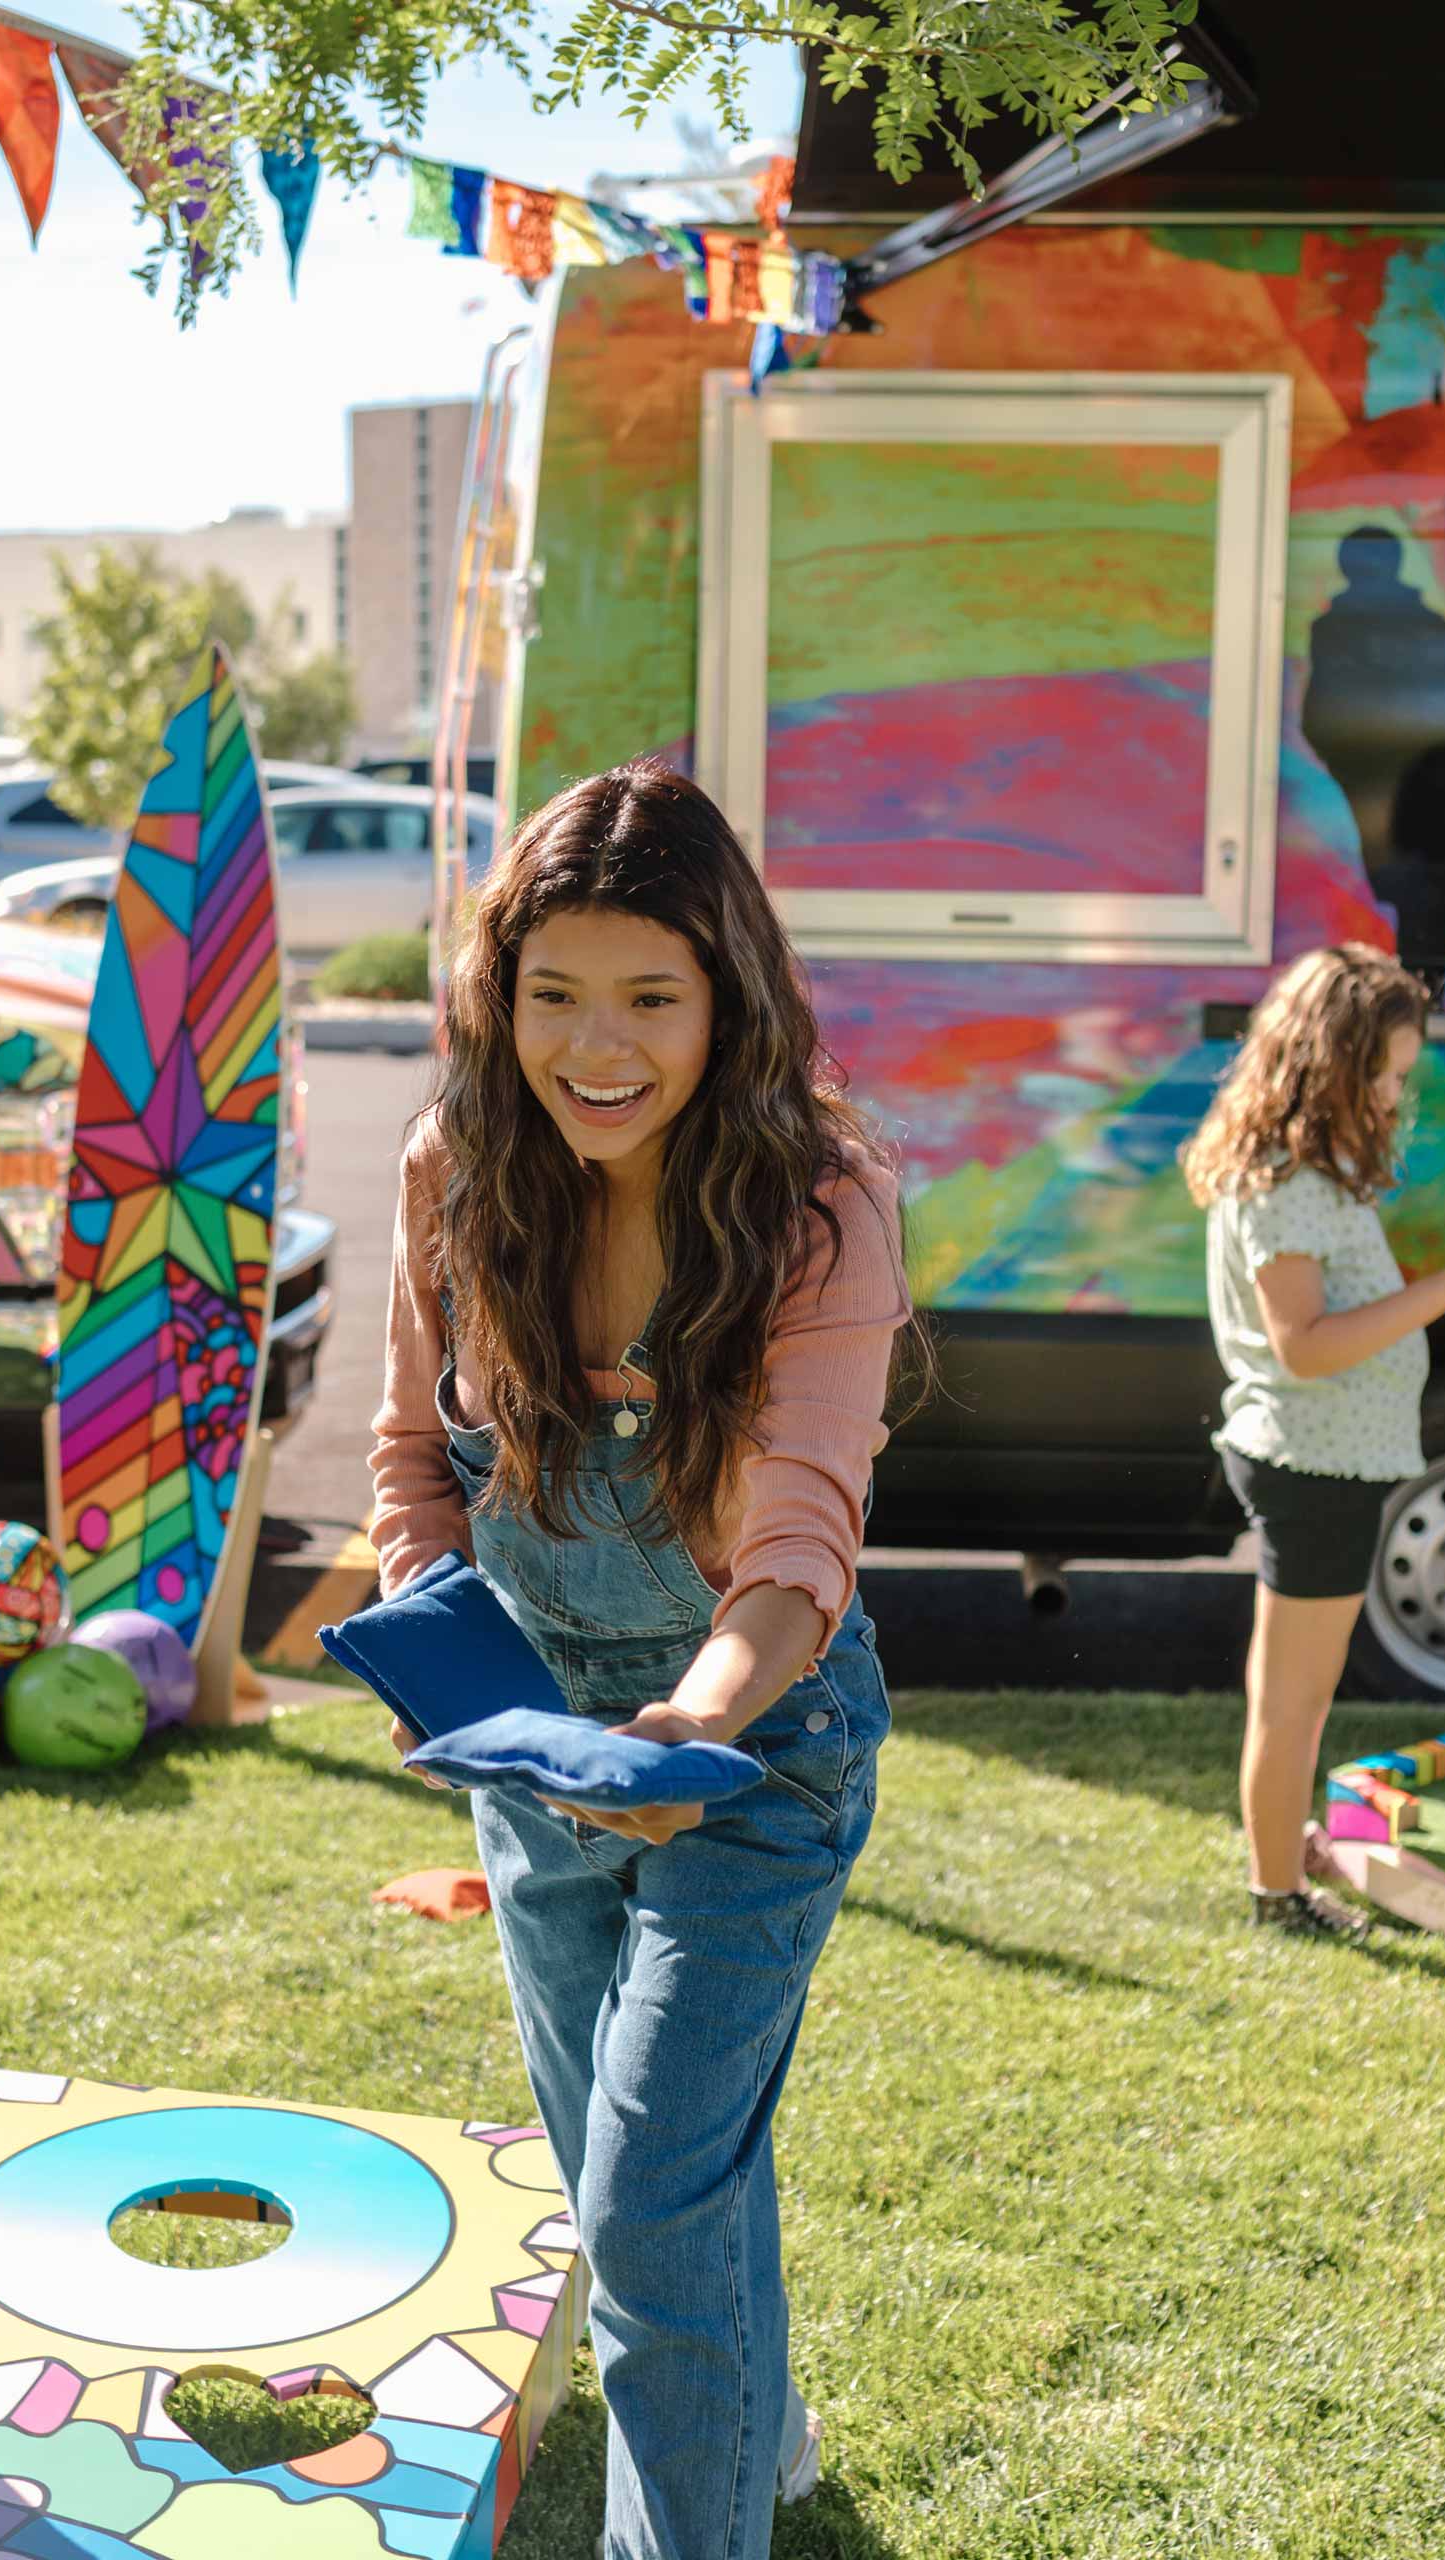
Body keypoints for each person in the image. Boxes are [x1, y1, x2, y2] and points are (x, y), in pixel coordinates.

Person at [366, 761, 906, 2560]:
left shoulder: (820, 1204)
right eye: (555, 996)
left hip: (753, 1756)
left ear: (726, 998)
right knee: (658, 2177)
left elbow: (799, 1543)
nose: (597, 1048)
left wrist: (686, 1729)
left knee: (650, 2199)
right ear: (497, 995)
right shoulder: (456, 1170)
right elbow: (406, 1471)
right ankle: (751, 2442)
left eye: (650, 1000)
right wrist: (438, 1658)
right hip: (538, 1756)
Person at [1180, 944, 1445, 1934]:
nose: (1397, 1094)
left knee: (1301, 1693)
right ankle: (1278, 1891)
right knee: (1292, 1699)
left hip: (1330, 1458)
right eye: (1390, 1072)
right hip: (1312, 1461)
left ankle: (1287, 1845)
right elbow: (1306, 1344)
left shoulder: (1307, 1169)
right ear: (1335, 1063)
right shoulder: (1290, 1185)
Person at [1300, 524, 1445, 991]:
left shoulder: (1341, 631)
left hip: (1416, 793)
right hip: (1416, 794)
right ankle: (1409, 1005)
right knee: (1419, 914)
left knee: (1420, 915)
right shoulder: (1411, 627)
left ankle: (1413, 1005)